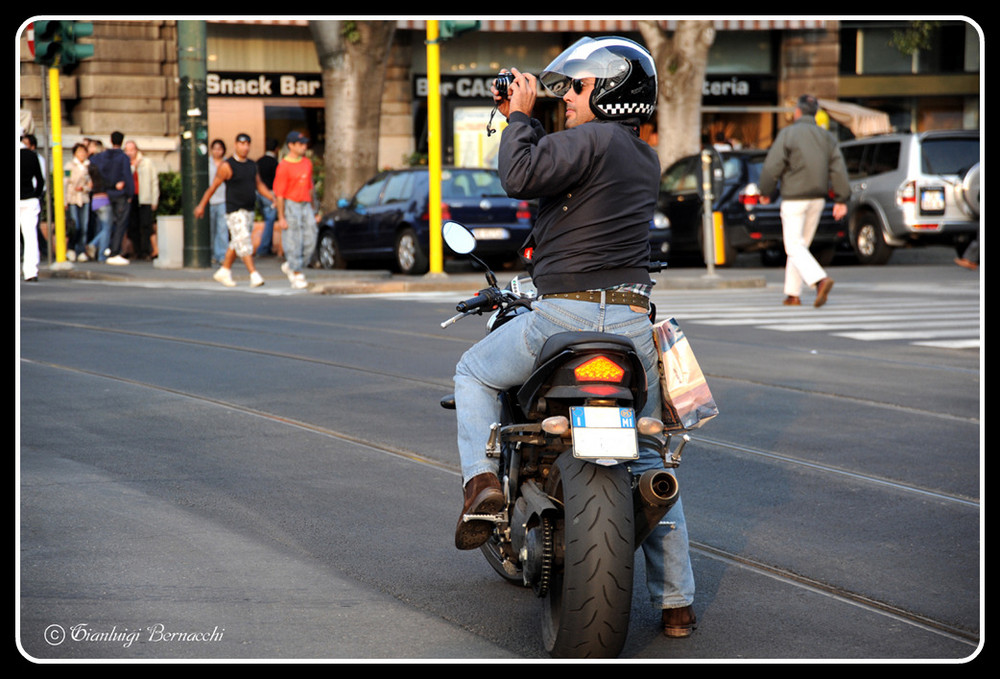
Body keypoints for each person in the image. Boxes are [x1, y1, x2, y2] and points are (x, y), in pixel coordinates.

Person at [452, 36, 697, 639]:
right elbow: (565, 185)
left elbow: (519, 175)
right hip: (634, 326)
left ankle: (483, 485)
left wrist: (518, 115)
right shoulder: (641, 156)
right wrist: (534, 114)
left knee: (473, 371)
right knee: (645, 454)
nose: (569, 102)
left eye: (578, 89)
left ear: (606, 91)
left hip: (563, 318)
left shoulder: (590, 140)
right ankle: (677, 601)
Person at [758, 94, 850, 307]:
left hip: (794, 198)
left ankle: (819, 280)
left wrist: (765, 190)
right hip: (817, 198)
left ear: (797, 112)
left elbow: (773, 166)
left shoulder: (788, 133)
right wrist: (841, 198)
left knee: (793, 246)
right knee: (800, 247)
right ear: (815, 113)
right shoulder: (827, 137)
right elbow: (838, 168)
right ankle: (792, 294)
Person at [194, 133, 274, 288]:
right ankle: (253, 274)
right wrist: (202, 205)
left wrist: (272, 197)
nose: (244, 147)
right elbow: (213, 187)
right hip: (234, 210)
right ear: (236, 145)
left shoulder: (252, 165)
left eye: (247, 144)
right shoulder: (227, 165)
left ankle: (224, 269)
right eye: (241, 144)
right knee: (243, 240)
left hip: (249, 209)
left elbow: (259, 185)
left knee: (236, 241)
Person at [273, 131, 316, 289]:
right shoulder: (283, 166)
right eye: (300, 144)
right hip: (291, 203)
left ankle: (293, 264)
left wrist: (314, 209)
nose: (304, 147)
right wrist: (281, 216)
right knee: (293, 238)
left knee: (311, 237)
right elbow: (279, 194)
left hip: (305, 203)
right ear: (291, 145)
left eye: (305, 144)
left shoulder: (307, 163)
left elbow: (310, 186)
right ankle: (296, 271)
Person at [88, 131, 134, 265]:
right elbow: (127, 176)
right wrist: (129, 193)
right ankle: (114, 252)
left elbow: (93, 164)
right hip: (120, 194)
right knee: (119, 223)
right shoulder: (123, 158)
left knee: (106, 224)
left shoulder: (102, 156)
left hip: (106, 193)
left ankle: (102, 250)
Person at [124, 140, 159, 261]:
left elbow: (154, 181)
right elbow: (126, 177)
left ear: (136, 150)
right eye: (127, 150)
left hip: (145, 198)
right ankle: (137, 251)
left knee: (146, 225)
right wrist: (133, 166)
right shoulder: (125, 163)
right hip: (131, 198)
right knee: (133, 226)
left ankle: (146, 251)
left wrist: (154, 199)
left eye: (132, 150)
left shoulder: (147, 162)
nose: (130, 153)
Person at [20, 132, 45, 282]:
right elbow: (40, 180)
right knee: (30, 237)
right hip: (29, 200)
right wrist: (35, 195)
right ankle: (31, 271)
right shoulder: (31, 155)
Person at [65, 143, 93, 262]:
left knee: (84, 226)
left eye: (83, 152)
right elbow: (65, 183)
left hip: (84, 198)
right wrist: (64, 200)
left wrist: (84, 188)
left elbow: (90, 185)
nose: (82, 154)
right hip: (73, 198)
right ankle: (71, 248)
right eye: (79, 152)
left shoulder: (89, 166)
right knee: (75, 225)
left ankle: (81, 250)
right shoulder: (69, 166)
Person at [255, 137, 280, 257]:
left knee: (267, 219)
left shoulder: (259, 161)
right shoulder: (274, 163)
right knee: (270, 221)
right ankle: (263, 248)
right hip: (270, 193)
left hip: (258, 193)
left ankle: (267, 246)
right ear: (276, 149)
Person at [207, 139, 229, 264]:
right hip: (210, 199)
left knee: (222, 229)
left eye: (219, 149)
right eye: (215, 148)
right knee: (211, 229)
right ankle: (211, 254)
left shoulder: (226, 163)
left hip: (223, 199)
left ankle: (222, 255)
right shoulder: (207, 162)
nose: (217, 151)